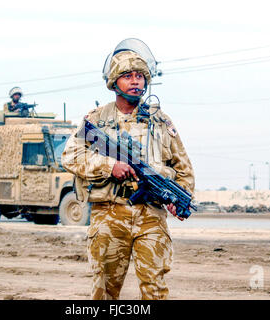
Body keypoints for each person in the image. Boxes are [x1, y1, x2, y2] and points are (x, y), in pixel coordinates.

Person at [61, 39, 195, 300]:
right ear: (114, 82)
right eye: (127, 76)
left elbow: (184, 169)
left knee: (155, 289)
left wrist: (179, 199)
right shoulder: (97, 119)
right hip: (109, 216)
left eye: (140, 76)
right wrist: (111, 166)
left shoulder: (161, 121)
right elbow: (70, 155)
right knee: (105, 289)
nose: (136, 82)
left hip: (151, 217)